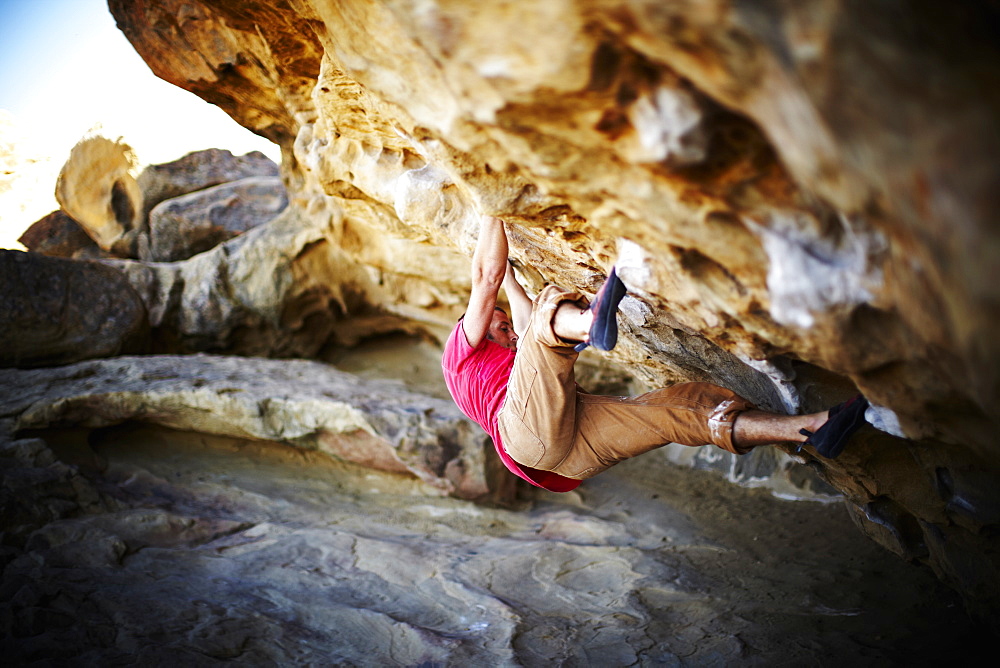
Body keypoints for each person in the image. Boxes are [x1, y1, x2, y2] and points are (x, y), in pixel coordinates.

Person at [441, 216, 869, 493]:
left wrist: (513, 287)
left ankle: (810, 428)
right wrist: (491, 209)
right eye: (499, 327)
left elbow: (514, 305)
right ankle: (591, 326)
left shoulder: (511, 361)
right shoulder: (460, 352)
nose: (510, 336)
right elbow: (486, 277)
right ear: (473, 330)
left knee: (682, 408)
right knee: (541, 322)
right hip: (523, 436)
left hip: (567, 457)